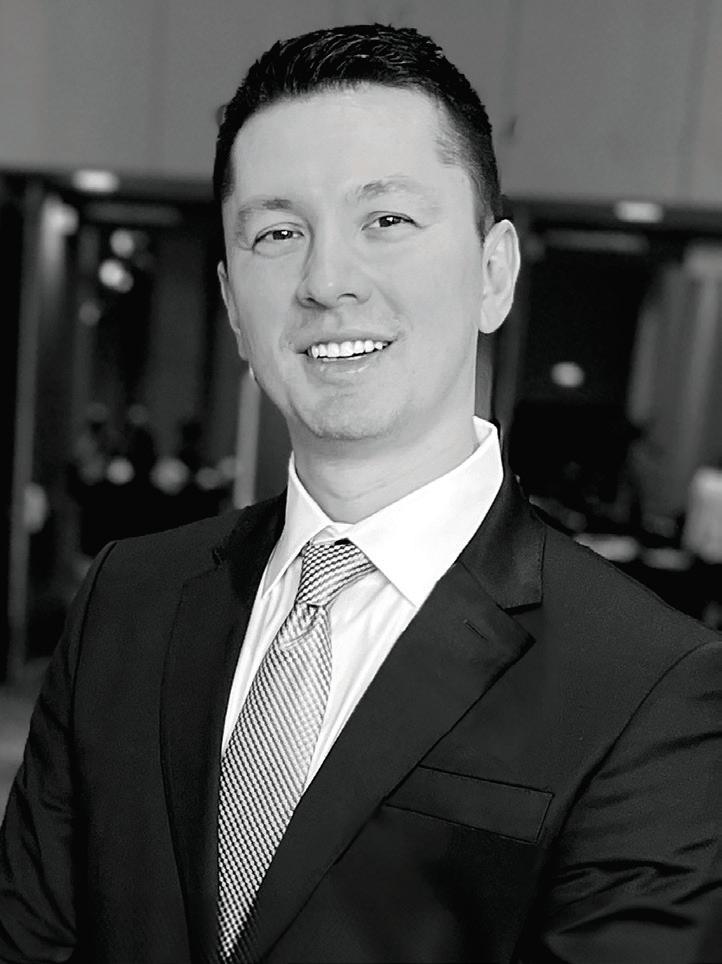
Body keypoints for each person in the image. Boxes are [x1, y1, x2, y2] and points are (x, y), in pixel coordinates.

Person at [1, 22, 721, 964]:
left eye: (386, 220)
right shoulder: (126, 599)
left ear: (494, 273)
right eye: (278, 233)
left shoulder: (650, 683)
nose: (328, 281)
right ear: (233, 304)